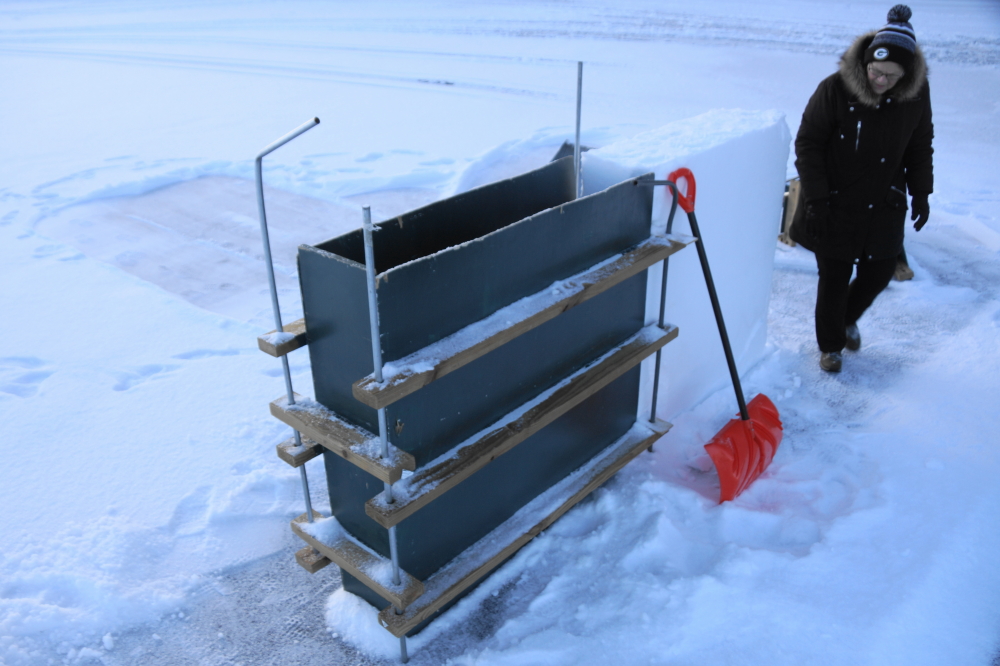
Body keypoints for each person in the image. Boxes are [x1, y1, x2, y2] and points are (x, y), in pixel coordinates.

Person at [791, 4, 933, 372]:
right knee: (834, 276)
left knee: (879, 271)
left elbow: (920, 143)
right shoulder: (834, 89)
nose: (880, 80)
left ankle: (847, 320)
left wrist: (921, 192)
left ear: (907, 73)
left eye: (890, 74)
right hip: (833, 201)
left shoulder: (917, 94)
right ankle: (831, 347)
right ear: (866, 62)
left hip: (883, 201)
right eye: (875, 70)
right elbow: (808, 143)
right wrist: (817, 200)